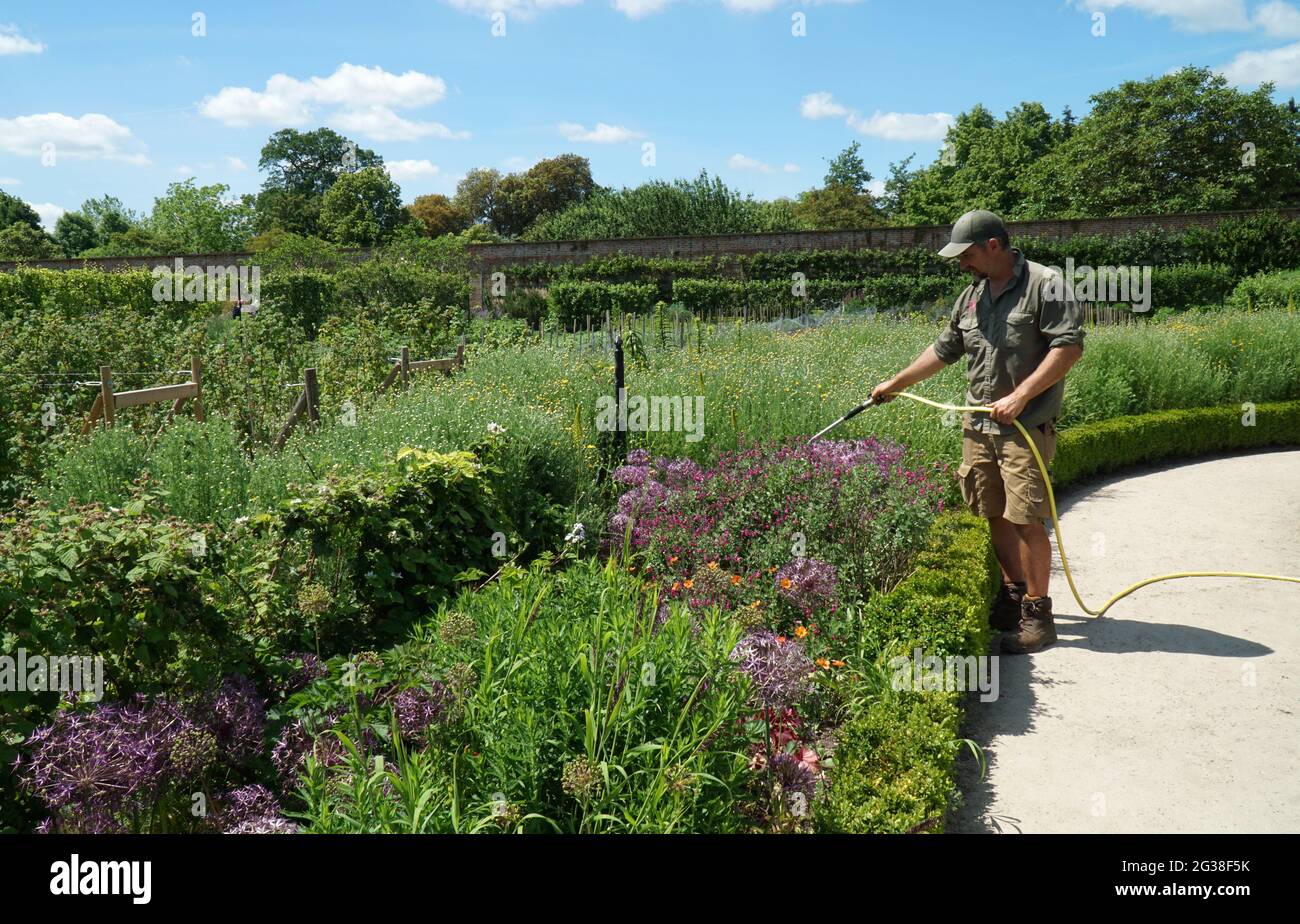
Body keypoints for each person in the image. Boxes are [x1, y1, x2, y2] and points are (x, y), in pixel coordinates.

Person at [871, 209, 1085, 654]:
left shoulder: (1045, 285)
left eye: (966, 255)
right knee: (993, 512)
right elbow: (944, 349)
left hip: (1024, 427)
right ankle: (1012, 595)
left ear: (993, 245)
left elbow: (1068, 347)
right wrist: (896, 383)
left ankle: (1038, 617)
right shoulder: (971, 296)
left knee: (1026, 519)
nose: (961, 264)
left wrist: (1022, 395)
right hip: (978, 424)